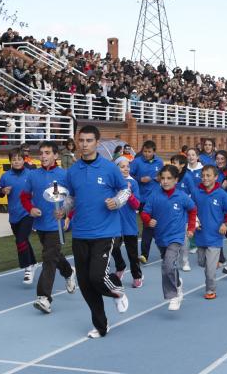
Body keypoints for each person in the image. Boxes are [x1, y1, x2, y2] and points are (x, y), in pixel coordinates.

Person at [59, 125, 130, 339]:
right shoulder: (73, 170)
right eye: (81, 140)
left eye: (89, 140)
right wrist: (64, 210)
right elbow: (71, 197)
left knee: (97, 276)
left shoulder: (109, 169)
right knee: (85, 283)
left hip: (105, 232)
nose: (84, 144)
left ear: (97, 143)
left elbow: (125, 189)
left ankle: (117, 289)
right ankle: (101, 326)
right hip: (81, 232)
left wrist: (117, 202)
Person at [20, 141, 76, 314]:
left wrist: (67, 215)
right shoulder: (32, 175)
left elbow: (73, 199)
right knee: (53, 255)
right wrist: (30, 209)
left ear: (55, 155)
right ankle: (68, 272)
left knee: (48, 258)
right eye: (41, 153)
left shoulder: (64, 175)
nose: (43, 156)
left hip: (56, 224)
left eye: (47, 153)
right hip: (40, 224)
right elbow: (24, 197)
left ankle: (44, 297)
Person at [140, 165, 196, 310]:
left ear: (176, 180)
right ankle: (178, 283)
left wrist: (191, 227)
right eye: (162, 178)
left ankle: (174, 296)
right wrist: (148, 220)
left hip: (176, 237)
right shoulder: (154, 195)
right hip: (161, 238)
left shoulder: (182, 197)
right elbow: (145, 213)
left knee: (167, 265)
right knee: (169, 266)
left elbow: (192, 209)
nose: (165, 181)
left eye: (169, 178)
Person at [192, 165, 227, 298]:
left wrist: (225, 223)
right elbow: (191, 210)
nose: (205, 178)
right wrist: (194, 222)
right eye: (203, 175)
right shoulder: (196, 192)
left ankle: (210, 290)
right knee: (201, 262)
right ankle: (213, 262)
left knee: (210, 271)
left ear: (216, 177)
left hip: (215, 237)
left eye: (208, 175)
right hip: (200, 235)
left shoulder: (222, 194)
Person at [0, 147, 37, 285]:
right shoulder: (6, 176)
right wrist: (3, 191)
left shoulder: (31, 174)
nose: (17, 161)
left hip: (28, 212)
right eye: (14, 159)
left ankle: (27, 268)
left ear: (23, 160)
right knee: (23, 240)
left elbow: (38, 188)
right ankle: (33, 263)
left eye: (19, 159)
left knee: (20, 240)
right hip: (14, 215)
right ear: (10, 161)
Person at [110, 156, 143, 288]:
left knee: (132, 253)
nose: (125, 169)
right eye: (122, 167)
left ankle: (137, 276)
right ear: (116, 168)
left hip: (129, 223)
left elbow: (137, 205)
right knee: (113, 247)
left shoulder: (133, 183)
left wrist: (129, 193)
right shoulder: (112, 182)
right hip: (114, 223)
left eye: (127, 166)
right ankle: (120, 266)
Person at [130, 140, 163, 263]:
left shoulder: (159, 162)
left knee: (158, 225)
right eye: (145, 151)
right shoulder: (137, 162)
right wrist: (140, 179)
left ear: (154, 151)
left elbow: (163, 176)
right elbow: (129, 175)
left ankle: (165, 250)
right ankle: (144, 254)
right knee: (148, 226)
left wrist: (158, 178)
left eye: (149, 152)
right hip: (143, 200)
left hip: (157, 199)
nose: (147, 154)